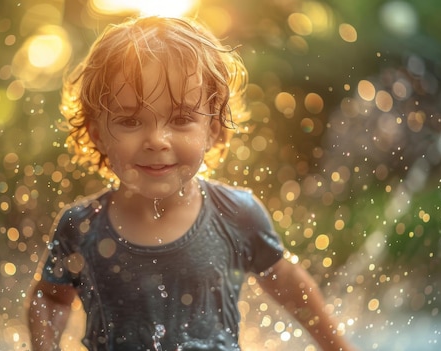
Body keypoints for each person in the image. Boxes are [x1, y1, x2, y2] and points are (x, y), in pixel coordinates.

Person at [28, 15, 357, 351]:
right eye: (130, 121)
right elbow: (50, 298)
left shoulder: (237, 216)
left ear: (212, 129)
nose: (156, 140)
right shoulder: (81, 228)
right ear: (98, 134)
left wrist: (338, 348)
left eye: (181, 119)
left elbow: (287, 283)